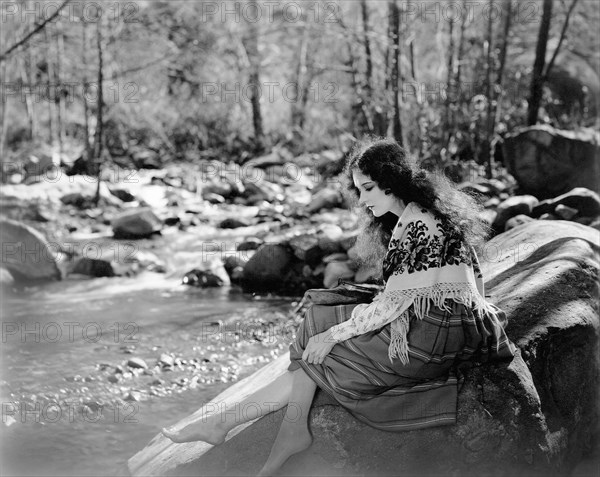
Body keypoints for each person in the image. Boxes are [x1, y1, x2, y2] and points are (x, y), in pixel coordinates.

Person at [161, 138, 516, 476]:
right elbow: (461, 281)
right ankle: (287, 426)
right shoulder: (423, 214)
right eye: (359, 189)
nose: (362, 200)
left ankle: (233, 423)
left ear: (391, 183)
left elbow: (391, 305)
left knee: (322, 339)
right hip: (444, 325)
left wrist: (333, 336)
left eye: (368, 188)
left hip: (432, 339)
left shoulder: (420, 225)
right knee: (321, 312)